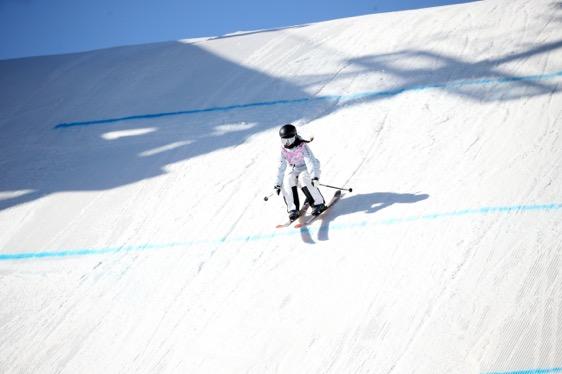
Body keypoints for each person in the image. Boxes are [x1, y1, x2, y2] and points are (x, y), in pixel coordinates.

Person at [274, 123, 327, 220]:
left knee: (304, 178)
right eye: (283, 140)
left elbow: (311, 161)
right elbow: (280, 167)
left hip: (308, 168)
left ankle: (318, 203)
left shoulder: (302, 146)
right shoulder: (283, 150)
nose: (286, 143)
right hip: (296, 169)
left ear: (294, 137)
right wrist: (277, 184)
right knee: (287, 181)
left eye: (288, 140)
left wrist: (315, 177)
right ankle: (293, 209)